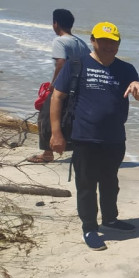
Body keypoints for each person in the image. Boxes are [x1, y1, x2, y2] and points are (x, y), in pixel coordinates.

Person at [49, 22, 139, 251]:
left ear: (118, 44)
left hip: (115, 138)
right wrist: (56, 134)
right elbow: (57, 97)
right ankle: (89, 228)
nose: (108, 46)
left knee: (110, 182)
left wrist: (137, 87)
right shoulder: (78, 64)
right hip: (84, 137)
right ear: (93, 41)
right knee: (86, 185)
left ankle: (110, 219)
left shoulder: (127, 69)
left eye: (113, 42)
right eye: (103, 41)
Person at [29, 8, 90, 163]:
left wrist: (53, 84)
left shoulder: (59, 41)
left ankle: (47, 153)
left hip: (63, 87)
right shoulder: (80, 42)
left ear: (55, 23)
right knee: (70, 118)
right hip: (78, 87)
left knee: (45, 116)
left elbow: (61, 63)